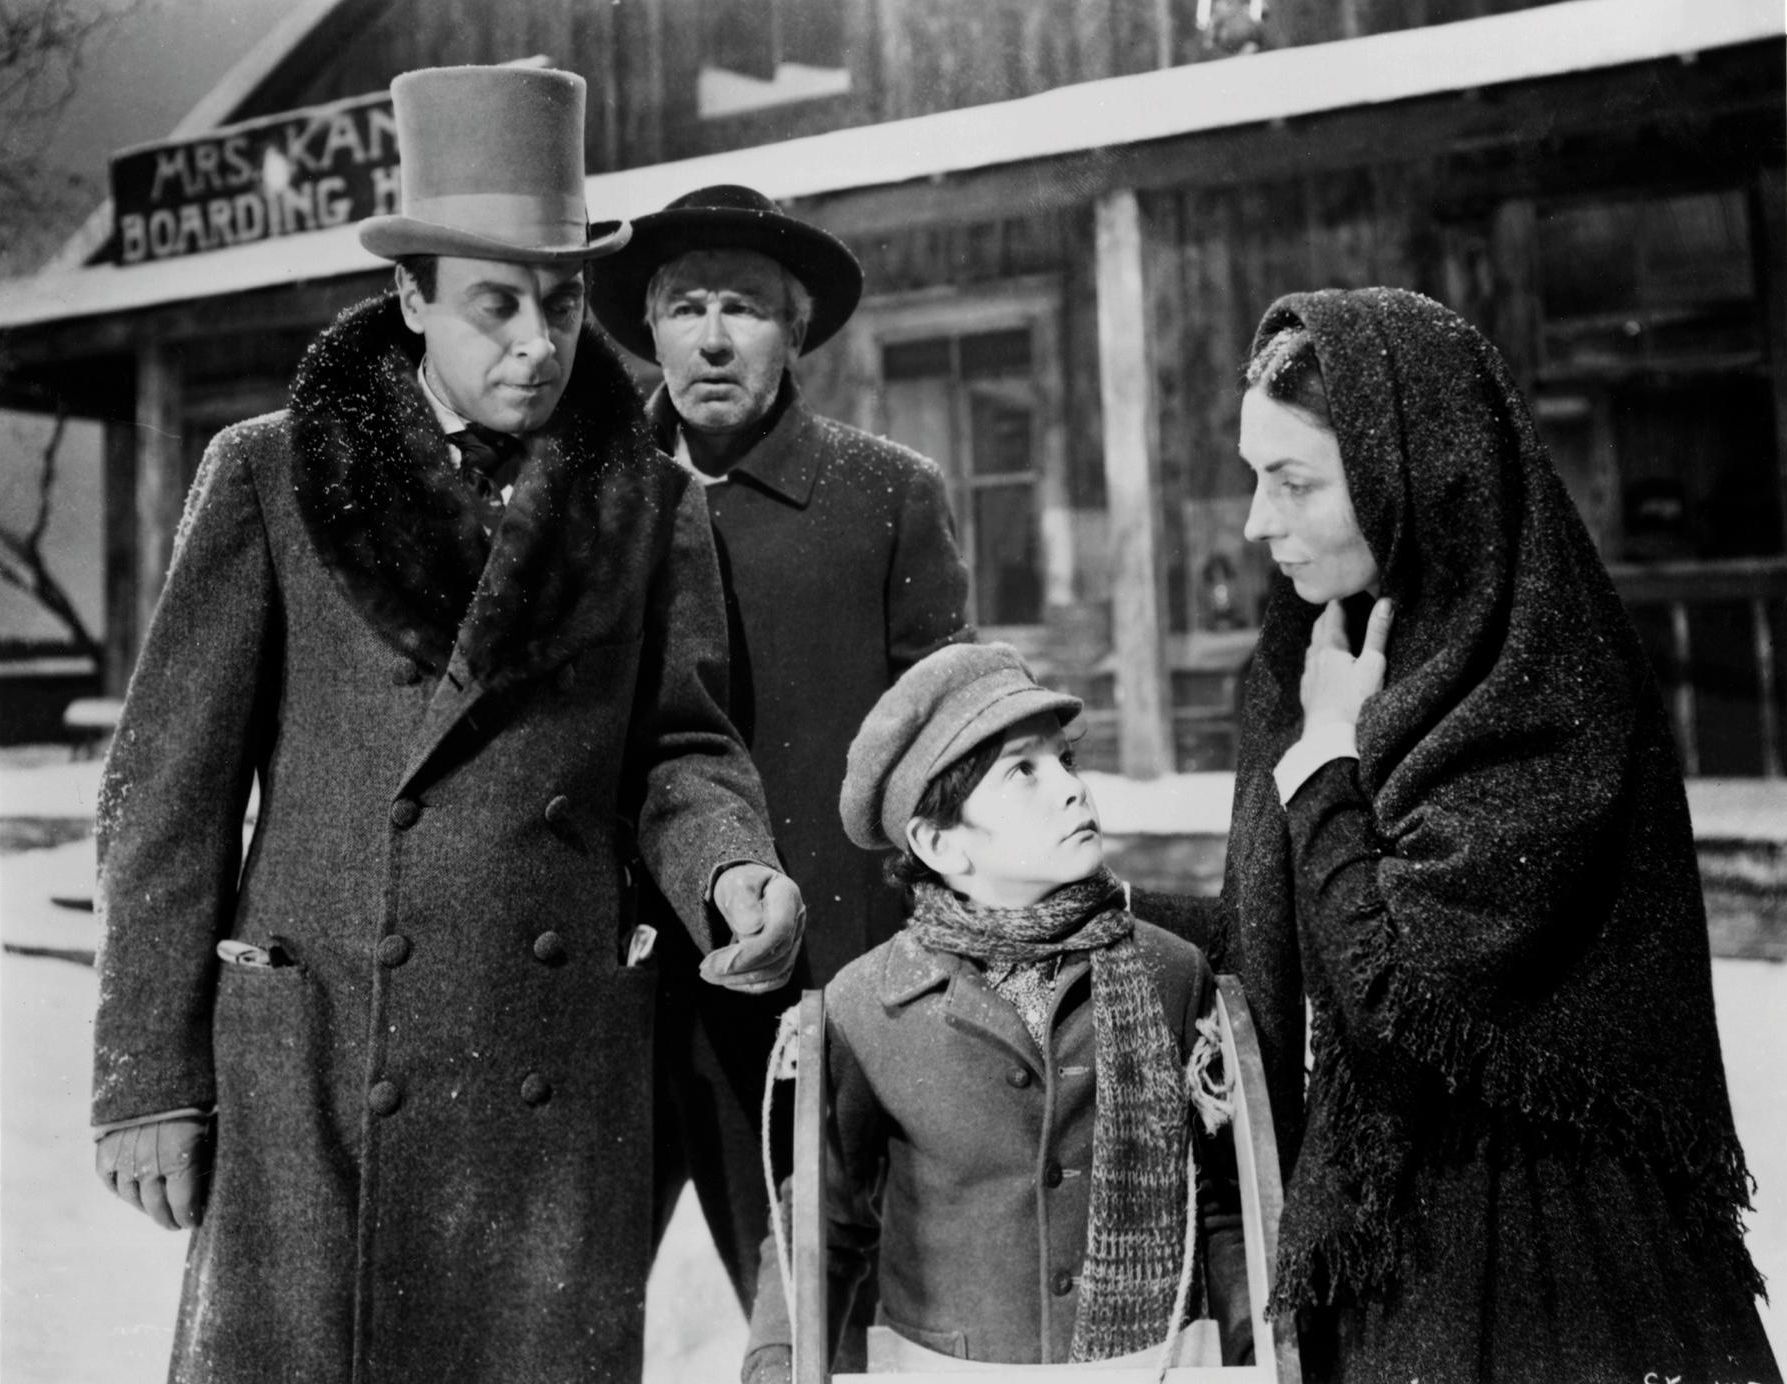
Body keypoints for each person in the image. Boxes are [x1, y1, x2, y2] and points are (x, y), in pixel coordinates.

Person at [89, 66, 805, 1384]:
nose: (537, 342)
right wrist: (147, 1077)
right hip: (318, 1067)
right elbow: (164, 798)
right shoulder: (269, 474)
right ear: (413, 298)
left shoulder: (649, 503)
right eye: (495, 305)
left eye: (563, 300)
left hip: (550, 1082)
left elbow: (678, 748)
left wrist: (731, 866)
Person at [1200, 286, 1779, 1382]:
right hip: (1384, 1242)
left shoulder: (1538, 690)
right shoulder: (1309, 656)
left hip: (1549, 1259)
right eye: (1250, 477)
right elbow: (1270, 924)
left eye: (1291, 482)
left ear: (1406, 476)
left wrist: (1326, 761)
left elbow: (1392, 1002)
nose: (1253, 524)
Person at [589, 184, 971, 1306]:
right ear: (646, 325)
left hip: (810, 988)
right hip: (607, 996)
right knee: (565, 1316)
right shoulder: (586, 496)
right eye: (685, 305)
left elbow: (941, 754)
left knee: (814, 1313)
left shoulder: (886, 496)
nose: (711, 338)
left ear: (796, 328)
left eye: (745, 307)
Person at [742, 642, 1254, 1381]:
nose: (1072, 790)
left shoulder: (1170, 972)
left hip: (1155, 1364)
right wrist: (776, 1359)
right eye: (1023, 772)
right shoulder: (866, 1006)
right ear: (938, 841)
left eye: (1064, 763)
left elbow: (1221, 1208)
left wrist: (1251, 1352)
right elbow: (820, 1227)